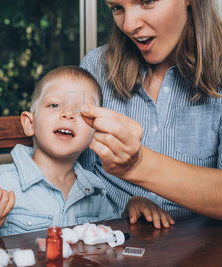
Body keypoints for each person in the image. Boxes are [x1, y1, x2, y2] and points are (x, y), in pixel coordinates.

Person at [0, 66, 174, 243]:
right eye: (55, 105)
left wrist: (130, 210)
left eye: (81, 110)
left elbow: (110, 239)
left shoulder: (96, 192)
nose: (68, 114)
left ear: (94, 133)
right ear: (30, 124)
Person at [79, 0, 222, 220]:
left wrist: (138, 165)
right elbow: (79, 183)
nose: (128, 25)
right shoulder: (95, 66)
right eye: (117, 8)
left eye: (146, 1)